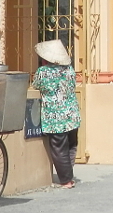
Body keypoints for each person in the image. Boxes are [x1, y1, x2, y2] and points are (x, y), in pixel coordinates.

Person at [32, 39, 80, 188]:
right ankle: (69, 174)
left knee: (59, 148)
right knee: (71, 145)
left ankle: (66, 181)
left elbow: (35, 85)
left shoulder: (43, 72)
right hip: (72, 114)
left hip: (55, 116)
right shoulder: (70, 70)